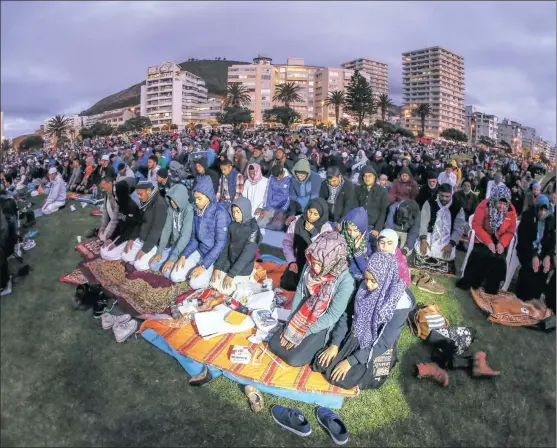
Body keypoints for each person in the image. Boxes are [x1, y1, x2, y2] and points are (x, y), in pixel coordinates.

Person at [312, 252, 413, 390]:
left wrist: (351, 361)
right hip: (357, 335)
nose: (368, 285)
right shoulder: (363, 286)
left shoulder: (398, 305)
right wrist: (335, 344)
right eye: (366, 279)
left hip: (375, 348)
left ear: (386, 279)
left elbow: (383, 342)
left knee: (340, 379)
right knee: (320, 364)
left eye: (374, 281)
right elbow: (347, 316)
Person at [269, 231, 355, 367]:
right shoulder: (310, 266)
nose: (314, 267)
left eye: (319, 264)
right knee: (274, 344)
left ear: (332, 260)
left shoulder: (346, 282)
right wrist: (292, 322)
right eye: (313, 262)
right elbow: (300, 292)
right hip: (304, 313)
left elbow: (332, 315)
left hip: (323, 323)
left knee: (293, 359)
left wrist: (303, 332)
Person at [456, 185, 517, 294]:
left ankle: (491, 288)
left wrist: (502, 244)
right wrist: (488, 242)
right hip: (483, 237)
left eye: (505, 204)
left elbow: (510, 231)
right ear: (495, 200)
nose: (502, 207)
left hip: (500, 239)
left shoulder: (511, 211)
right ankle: (471, 282)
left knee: (499, 259)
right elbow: (477, 225)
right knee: (480, 254)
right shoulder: (484, 205)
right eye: (500, 203)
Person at [172, 177, 230, 288]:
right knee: (175, 275)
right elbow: (195, 238)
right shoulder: (196, 210)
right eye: (195, 198)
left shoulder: (220, 213)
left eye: (199, 198)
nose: (196, 202)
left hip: (213, 257)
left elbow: (220, 244)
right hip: (200, 251)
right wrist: (184, 255)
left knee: (195, 284)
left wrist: (203, 266)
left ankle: (206, 274)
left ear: (208, 196)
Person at [210, 197, 262, 295]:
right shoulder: (233, 225)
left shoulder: (254, 229)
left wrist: (231, 274)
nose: (235, 215)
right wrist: (218, 267)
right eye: (233, 212)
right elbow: (226, 248)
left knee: (225, 290)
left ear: (245, 210)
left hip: (243, 268)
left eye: (238, 212)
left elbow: (247, 256)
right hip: (229, 264)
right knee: (213, 281)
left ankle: (248, 281)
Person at [414, 183, 466, 277]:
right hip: (430, 233)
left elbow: (459, 229)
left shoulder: (458, 206)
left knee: (449, 256)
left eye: (447, 196)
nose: (444, 199)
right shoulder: (429, 202)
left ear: (451, 194)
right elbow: (423, 223)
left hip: (448, 237)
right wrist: (423, 240)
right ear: (438, 193)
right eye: (442, 196)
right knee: (419, 250)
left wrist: (451, 244)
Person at [281, 198, 332, 291]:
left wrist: (313, 232)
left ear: (321, 215)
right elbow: (287, 244)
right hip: (299, 260)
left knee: (309, 288)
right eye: (310, 211)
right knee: (287, 283)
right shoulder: (297, 221)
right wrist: (291, 261)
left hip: (316, 265)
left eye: (315, 214)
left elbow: (323, 249)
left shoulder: (326, 228)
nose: (311, 216)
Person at [149, 183, 194, 279]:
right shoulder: (171, 209)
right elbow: (166, 230)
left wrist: (173, 258)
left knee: (167, 273)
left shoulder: (188, 210)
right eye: (170, 199)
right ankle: (168, 259)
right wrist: (160, 252)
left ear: (180, 198)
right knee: (153, 265)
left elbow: (185, 237)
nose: (172, 202)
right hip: (174, 246)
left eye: (174, 199)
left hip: (184, 250)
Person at [515, 195, 555, 301]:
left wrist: (547, 256)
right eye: (541, 209)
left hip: (542, 251)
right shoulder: (528, 216)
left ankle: (535, 297)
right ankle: (522, 296)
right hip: (527, 249)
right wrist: (533, 255)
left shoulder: (550, 219)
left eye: (545, 210)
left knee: (546, 268)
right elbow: (523, 239)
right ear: (536, 208)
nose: (542, 213)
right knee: (530, 267)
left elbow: (552, 241)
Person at [121, 181, 168, 271]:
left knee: (139, 265)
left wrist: (144, 249)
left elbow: (156, 231)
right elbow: (139, 222)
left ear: (149, 191)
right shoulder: (145, 201)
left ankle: (152, 256)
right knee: (125, 256)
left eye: (140, 194)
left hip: (153, 243)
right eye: (138, 194)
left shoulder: (160, 204)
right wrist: (132, 238)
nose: (139, 197)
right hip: (141, 239)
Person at [100, 180, 142, 261]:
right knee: (103, 250)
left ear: (122, 194)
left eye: (117, 195)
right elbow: (119, 225)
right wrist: (111, 239)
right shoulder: (121, 205)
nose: (115, 197)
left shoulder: (132, 207)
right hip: (121, 235)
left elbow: (130, 230)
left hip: (129, 238)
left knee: (109, 254)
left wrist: (116, 243)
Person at [341, 207, 374, 282]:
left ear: (362, 228)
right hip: (345, 276)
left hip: (362, 280)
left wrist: (356, 250)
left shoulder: (370, 243)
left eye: (356, 230)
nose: (352, 234)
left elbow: (367, 270)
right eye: (349, 230)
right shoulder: (342, 239)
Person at [355, 165, 389, 238]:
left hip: (373, 227)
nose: (367, 178)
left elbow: (384, 212)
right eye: (365, 176)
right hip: (358, 225)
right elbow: (354, 208)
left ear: (374, 177)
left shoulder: (382, 191)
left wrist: (377, 229)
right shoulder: (358, 189)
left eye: (370, 176)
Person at [257, 165, 291, 231]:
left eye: (278, 177)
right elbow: (268, 193)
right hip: (272, 206)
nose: (277, 179)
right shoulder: (272, 177)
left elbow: (289, 198)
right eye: (276, 177)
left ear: (282, 173)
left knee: (277, 227)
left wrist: (282, 211)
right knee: (259, 223)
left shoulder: (289, 178)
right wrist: (266, 208)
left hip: (283, 208)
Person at [98, 176, 119, 243]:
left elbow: (116, 217)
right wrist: (103, 226)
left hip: (119, 222)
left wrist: (110, 233)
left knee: (105, 238)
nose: (103, 189)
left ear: (109, 183)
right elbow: (105, 211)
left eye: (103, 187)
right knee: (102, 236)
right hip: (112, 220)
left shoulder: (116, 194)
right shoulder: (107, 193)